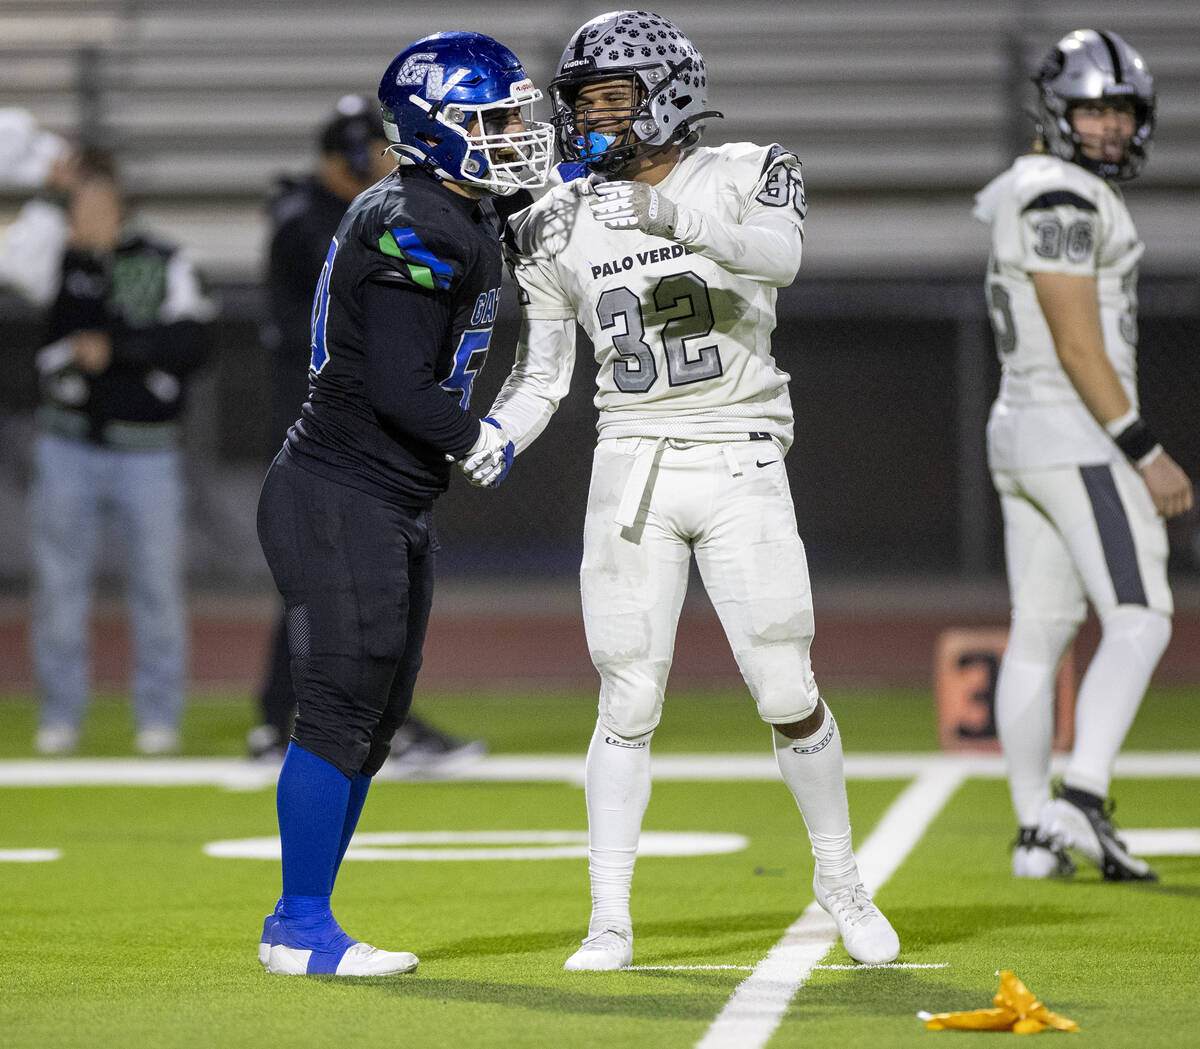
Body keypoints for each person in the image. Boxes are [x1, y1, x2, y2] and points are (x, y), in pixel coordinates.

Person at [462, 10, 899, 970]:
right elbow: (543, 377)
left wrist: (673, 218)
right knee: (627, 692)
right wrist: (499, 431)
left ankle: (841, 881)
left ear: (666, 94)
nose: (588, 121)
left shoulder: (747, 169)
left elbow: (779, 258)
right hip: (632, 463)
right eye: (580, 104)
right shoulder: (556, 220)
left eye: (609, 100)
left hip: (741, 454)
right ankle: (609, 917)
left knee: (787, 685)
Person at [254, 31, 551, 976]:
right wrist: (480, 438)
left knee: (372, 723)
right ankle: (298, 926)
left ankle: (305, 915)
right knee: (337, 712)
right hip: (341, 490)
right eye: (492, 118)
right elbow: (396, 384)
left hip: (381, 495)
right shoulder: (409, 218)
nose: (512, 132)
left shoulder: (451, 206)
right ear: (437, 125)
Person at [974, 30, 1193, 881]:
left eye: (1121, 110)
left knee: (1041, 631)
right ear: (1058, 113)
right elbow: (1076, 339)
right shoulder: (1063, 197)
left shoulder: (1020, 186)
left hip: (1021, 430)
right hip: (1079, 433)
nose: (1109, 126)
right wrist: (1144, 447)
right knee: (1140, 616)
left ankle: (1037, 832)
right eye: (1094, 109)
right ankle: (1083, 797)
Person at [247, 93, 486, 771]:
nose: (380, 160)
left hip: (348, 427)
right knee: (337, 587)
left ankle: (330, 717)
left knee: (345, 590)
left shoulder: (367, 210)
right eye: (366, 148)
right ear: (333, 155)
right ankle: (297, 717)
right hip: (327, 430)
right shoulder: (315, 219)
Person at [2, 146, 215, 756]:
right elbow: (21, 272)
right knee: (60, 588)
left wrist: (120, 348)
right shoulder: (58, 257)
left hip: (147, 451)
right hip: (68, 443)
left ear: (121, 201)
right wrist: (57, 217)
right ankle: (62, 712)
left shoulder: (165, 259)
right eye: (82, 199)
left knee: (155, 589)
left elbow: (194, 344)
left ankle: (158, 714)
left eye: (100, 198)